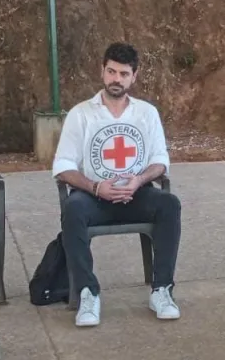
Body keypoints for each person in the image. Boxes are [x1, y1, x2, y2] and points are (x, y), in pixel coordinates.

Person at [53, 42, 182, 327]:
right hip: (93, 197)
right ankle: (88, 293)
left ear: (134, 77)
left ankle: (162, 290)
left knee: (169, 204)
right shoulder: (81, 114)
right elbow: (62, 166)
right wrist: (95, 187)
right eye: (111, 71)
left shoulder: (146, 113)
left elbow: (160, 161)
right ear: (102, 71)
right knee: (72, 208)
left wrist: (139, 180)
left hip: (137, 194)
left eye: (124, 74)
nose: (116, 79)